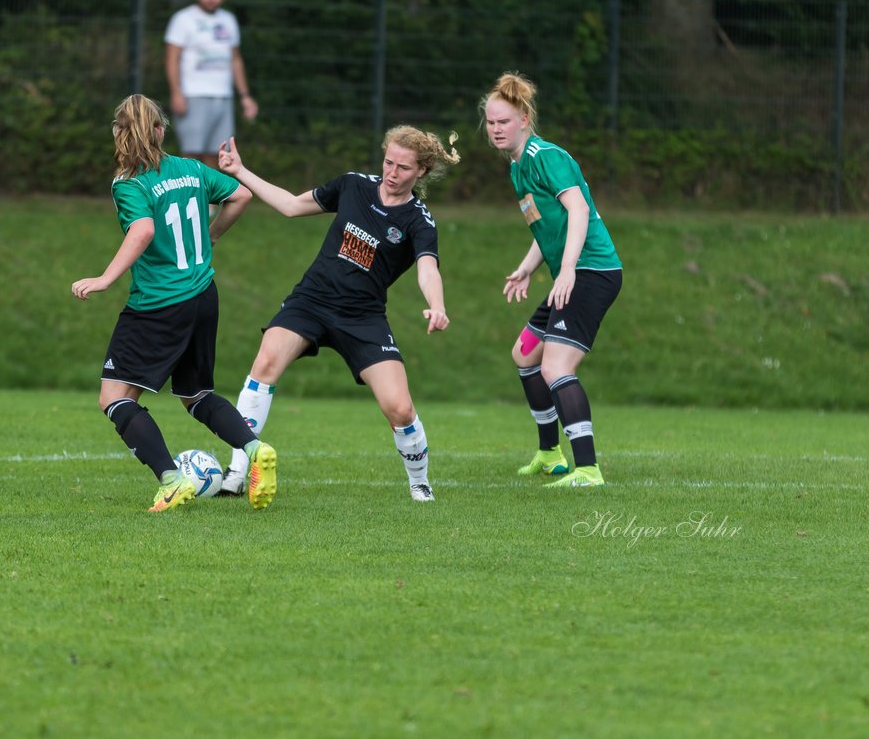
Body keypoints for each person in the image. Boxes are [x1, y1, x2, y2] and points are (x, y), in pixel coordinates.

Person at [216, 126, 459, 503]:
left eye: (403, 168)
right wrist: (240, 171)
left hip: (362, 317)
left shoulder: (419, 221)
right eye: (388, 162)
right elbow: (292, 206)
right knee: (265, 360)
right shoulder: (353, 186)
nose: (392, 172)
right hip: (311, 300)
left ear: (422, 172)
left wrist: (438, 305)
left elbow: (428, 268)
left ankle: (420, 482)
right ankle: (236, 470)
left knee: (399, 407)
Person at [70, 94, 277, 513]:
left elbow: (143, 231)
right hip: (203, 295)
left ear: (118, 134)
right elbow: (240, 196)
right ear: (161, 130)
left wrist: (106, 278)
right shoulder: (190, 169)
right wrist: (212, 236)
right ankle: (255, 451)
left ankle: (170, 479)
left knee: (114, 397)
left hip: (160, 303)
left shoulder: (129, 182)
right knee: (196, 394)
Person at [480, 72, 622, 488]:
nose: (495, 130)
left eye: (503, 122)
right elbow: (547, 228)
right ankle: (550, 455)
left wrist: (567, 270)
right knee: (526, 355)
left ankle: (588, 470)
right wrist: (528, 266)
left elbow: (577, 211)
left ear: (524, 118)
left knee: (556, 366)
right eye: (490, 123)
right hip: (573, 272)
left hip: (592, 272)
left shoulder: (546, 156)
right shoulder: (518, 167)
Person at [164, 0, 258, 169]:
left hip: (222, 96)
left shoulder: (229, 20)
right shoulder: (183, 19)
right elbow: (172, 59)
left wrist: (245, 96)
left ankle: (208, 200)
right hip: (193, 94)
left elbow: (235, 59)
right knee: (191, 152)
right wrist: (176, 93)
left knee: (218, 153)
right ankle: (189, 198)